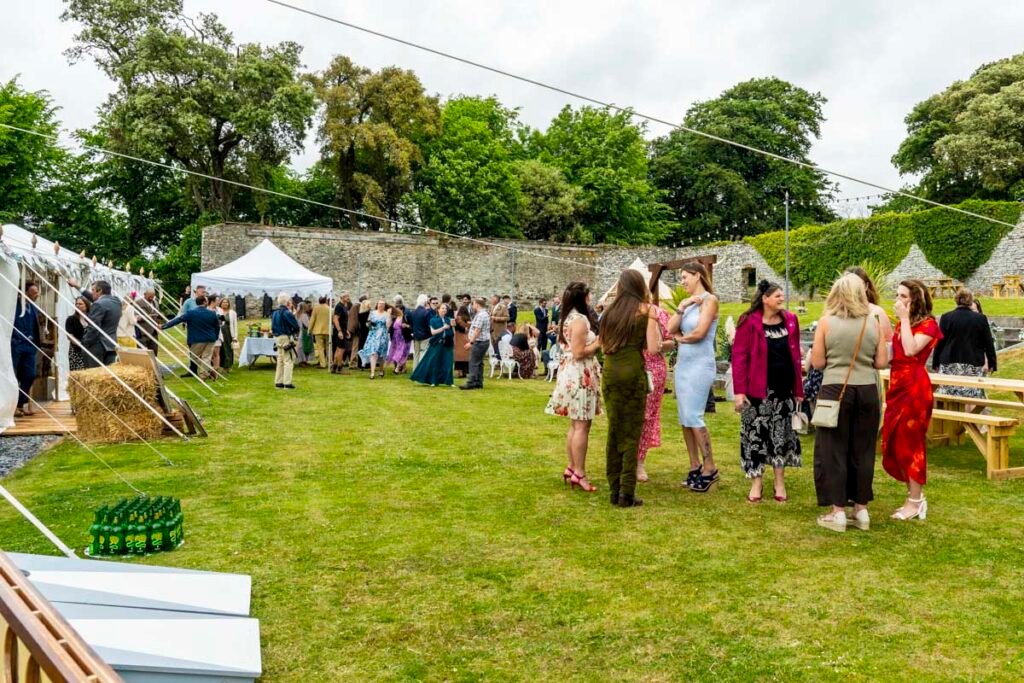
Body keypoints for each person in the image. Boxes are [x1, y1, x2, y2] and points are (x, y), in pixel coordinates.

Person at [810, 274, 888, 532]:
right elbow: (881, 363)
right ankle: (862, 508)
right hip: (867, 389)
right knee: (863, 450)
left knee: (834, 449)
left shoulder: (825, 323)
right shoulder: (872, 322)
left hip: (835, 389)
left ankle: (837, 511)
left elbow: (818, 363)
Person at [731, 280, 804, 503]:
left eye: (782, 295)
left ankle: (779, 481)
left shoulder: (791, 320)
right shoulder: (748, 322)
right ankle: (756, 481)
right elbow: (739, 357)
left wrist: (798, 389)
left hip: (784, 390)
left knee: (780, 435)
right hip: (757, 392)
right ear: (765, 299)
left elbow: (796, 356)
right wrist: (739, 392)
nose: (781, 299)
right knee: (756, 436)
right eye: (777, 296)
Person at [600, 271, 662, 507]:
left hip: (611, 372)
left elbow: (604, 346)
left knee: (615, 430)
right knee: (632, 432)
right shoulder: (646, 311)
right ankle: (627, 492)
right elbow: (654, 348)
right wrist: (654, 321)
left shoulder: (609, 313)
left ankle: (614, 489)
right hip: (633, 373)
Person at [883, 279, 941, 521]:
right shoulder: (901, 324)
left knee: (911, 443)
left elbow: (910, 350)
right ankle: (912, 496)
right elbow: (893, 353)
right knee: (895, 440)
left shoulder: (928, 325)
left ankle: (916, 501)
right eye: (897, 295)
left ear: (915, 299)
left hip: (915, 387)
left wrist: (904, 320)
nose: (898, 300)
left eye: (903, 296)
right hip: (897, 384)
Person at [667, 263, 721, 491]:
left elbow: (699, 333)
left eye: (685, 276)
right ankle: (694, 464)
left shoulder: (710, 300)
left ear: (698, 275)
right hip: (684, 364)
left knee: (694, 415)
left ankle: (710, 467)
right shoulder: (688, 304)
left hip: (700, 364)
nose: (682, 281)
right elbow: (670, 328)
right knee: (684, 418)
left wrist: (680, 338)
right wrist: (681, 306)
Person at [545, 282, 603, 493]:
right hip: (579, 373)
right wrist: (598, 343)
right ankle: (580, 472)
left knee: (575, 424)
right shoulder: (579, 320)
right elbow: (579, 352)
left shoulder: (568, 317)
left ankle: (572, 467)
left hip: (572, 371)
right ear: (583, 298)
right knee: (581, 426)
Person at [932, 289, 997, 399]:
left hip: (949, 363)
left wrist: (936, 362)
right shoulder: (980, 318)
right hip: (973, 363)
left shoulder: (946, 317)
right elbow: (988, 342)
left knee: (949, 396)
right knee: (971, 396)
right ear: (970, 301)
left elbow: (940, 342)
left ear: (956, 300)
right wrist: (992, 362)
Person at [161, 295, 220, 380]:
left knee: (194, 357)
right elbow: (217, 326)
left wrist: (164, 326)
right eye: (206, 301)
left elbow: (178, 320)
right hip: (210, 338)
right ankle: (208, 372)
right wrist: (215, 336)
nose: (207, 302)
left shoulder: (191, 313)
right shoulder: (212, 313)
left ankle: (205, 374)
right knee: (206, 357)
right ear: (204, 302)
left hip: (197, 339)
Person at [69, 278, 121, 367]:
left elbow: (93, 328)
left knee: (93, 374)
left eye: (93, 290)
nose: (91, 292)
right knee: (107, 375)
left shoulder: (98, 304)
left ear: (99, 290)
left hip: (97, 346)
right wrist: (77, 286)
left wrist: (84, 343)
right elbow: (96, 299)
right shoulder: (116, 301)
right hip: (111, 345)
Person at [11, 282, 41, 416]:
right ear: (25, 292)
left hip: (30, 346)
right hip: (16, 345)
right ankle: (12, 407)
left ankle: (20, 403)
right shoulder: (13, 305)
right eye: (34, 292)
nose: (37, 294)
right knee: (13, 375)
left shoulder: (34, 308)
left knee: (30, 375)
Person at [410, 303, 455, 386]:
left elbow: (452, 332)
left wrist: (453, 326)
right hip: (436, 343)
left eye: (445, 309)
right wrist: (443, 328)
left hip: (447, 343)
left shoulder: (448, 319)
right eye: (442, 308)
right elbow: (433, 332)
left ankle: (449, 381)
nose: (444, 310)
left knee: (448, 362)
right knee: (434, 362)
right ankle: (433, 381)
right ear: (438, 310)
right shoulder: (433, 320)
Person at [269, 294, 300, 389]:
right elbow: (295, 325)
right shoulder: (286, 312)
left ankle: (278, 382)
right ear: (287, 302)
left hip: (277, 337)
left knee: (280, 360)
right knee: (288, 359)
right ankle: (287, 382)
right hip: (286, 336)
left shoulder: (275, 312)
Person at [461, 298, 491, 390]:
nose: (472, 306)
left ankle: (471, 382)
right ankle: (478, 381)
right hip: (483, 341)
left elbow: (477, 330)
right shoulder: (484, 314)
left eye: (473, 304)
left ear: (477, 304)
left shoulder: (481, 315)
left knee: (473, 362)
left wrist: (471, 342)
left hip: (479, 342)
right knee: (479, 362)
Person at [359, 299, 391, 379]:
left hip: (382, 335)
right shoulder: (372, 313)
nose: (381, 305)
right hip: (373, 334)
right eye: (379, 304)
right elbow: (367, 323)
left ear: (384, 306)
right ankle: (372, 373)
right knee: (373, 353)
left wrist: (389, 315)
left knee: (381, 354)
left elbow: (388, 325)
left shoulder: (387, 314)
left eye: (383, 304)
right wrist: (369, 324)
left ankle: (381, 370)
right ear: (377, 305)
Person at [66, 296, 90, 372]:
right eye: (76, 304)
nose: (78, 306)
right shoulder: (71, 319)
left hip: (90, 351)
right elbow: (70, 336)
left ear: (86, 305)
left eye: (80, 304)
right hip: (76, 351)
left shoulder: (92, 319)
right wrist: (81, 345)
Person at [135, 289, 163, 355]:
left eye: (152, 296)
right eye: (149, 296)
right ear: (144, 294)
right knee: (142, 353)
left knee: (154, 351)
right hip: (143, 332)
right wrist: (148, 316)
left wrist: (160, 317)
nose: (151, 298)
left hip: (154, 332)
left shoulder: (155, 302)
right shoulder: (138, 302)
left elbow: (157, 313)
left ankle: (153, 364)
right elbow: (136, 316)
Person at [408, 294, 432, 370]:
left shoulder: (413, 312)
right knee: (423, 352)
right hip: (425, 336)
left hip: (416, 335)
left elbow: (411, 324)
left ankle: (415, 370)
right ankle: (421, 370)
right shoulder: (426, 312)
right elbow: (428, 325)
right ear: (425, 302)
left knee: (416, 354)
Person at [386, 306, 411, 374]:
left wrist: (406, 325)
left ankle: (397, 369)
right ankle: (403, 368)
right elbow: (390, 327)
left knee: (401, 353)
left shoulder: (406, 317)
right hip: (395, 339)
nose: (396, 311)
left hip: (404, 338)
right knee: (397, 352)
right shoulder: (394, 318)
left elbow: (411, 326)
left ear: (402, 310)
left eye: (398, 310)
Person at [309, 296, 332, 369]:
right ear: (326, 301)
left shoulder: (316, 308)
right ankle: (330, 362)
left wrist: (309, 329)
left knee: (320, 348)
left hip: (318, 330)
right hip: (328, 330)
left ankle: (323, 363)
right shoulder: (330, 308)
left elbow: (312, 319)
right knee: (329, 347)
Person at [332, 292, 352, 374]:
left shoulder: (344, 306)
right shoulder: (339, 306)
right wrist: (340, 331)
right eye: (346, 296)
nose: (348, 298)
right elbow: (335, 319)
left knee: (338, 349)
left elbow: (343, 320)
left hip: (342, 330)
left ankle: (334, 367)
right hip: (339, 331)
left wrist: (346, 330)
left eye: (348, 296)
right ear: (342, 297)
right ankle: (339, 368)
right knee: (341, 349)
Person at [217, 298, 238, 373]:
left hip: (228, 333)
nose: (225, 304)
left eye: (226, 302)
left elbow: (235, 325)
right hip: (219, 333)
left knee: (228, 349)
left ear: (229, 304)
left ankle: (228, 366)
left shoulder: (232, 313)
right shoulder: (218, 311)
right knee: (221, 349)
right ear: (220, 303)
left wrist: (235, 336)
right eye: (223, 302)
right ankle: (220, 366)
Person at [453, 303, 471, 378]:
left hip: (459, 337)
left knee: (459, 356)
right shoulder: (469, 319)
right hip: (467, 337)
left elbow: (458, 327)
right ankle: (465, 372)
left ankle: (459, 372)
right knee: (466, 356)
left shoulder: (458, 319)